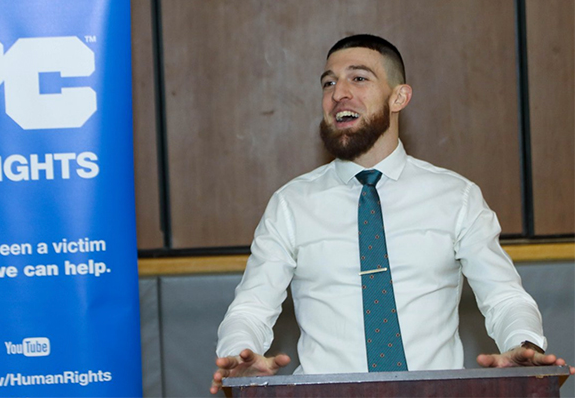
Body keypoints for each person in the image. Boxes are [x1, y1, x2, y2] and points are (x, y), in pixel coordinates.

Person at [210, 34, 574, 394]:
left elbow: (504, 298)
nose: (338, 94)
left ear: (399, 97)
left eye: (358, 78)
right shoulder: (291, 204)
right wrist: (239, 355)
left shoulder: (456, 197)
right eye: (329, 83)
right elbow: (251, 308)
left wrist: (524, 345)